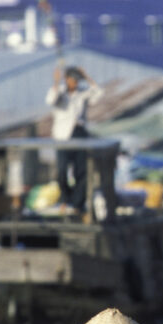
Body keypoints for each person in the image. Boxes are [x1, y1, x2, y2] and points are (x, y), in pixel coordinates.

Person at [45, 65, 103, 214]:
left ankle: (77, 204)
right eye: (73, 80)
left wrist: (87, 76)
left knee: (81, 171)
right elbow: (51, 99)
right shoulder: (60, 94)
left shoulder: (82, 93)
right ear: (67, 80)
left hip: (79, 133)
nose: (75, 84)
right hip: (63, 136)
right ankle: (66, 199)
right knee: (62, 171)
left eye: (78, 81)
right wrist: (56, 82)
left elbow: (99, 93)